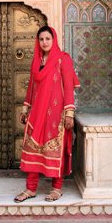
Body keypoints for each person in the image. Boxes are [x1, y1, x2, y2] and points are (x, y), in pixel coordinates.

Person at [14, 26, 79, 202]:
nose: (44, 42)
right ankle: (31, 188)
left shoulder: (62, 59)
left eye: (47, 39)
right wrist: (25, 109)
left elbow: (68, 86)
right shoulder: (37, 61)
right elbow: (31, 87)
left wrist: (69, 113)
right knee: (32, 147)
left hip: (56, 114)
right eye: (41, 39)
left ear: (53, 39)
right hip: (37, 113)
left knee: (55, 150)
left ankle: (57, 188)